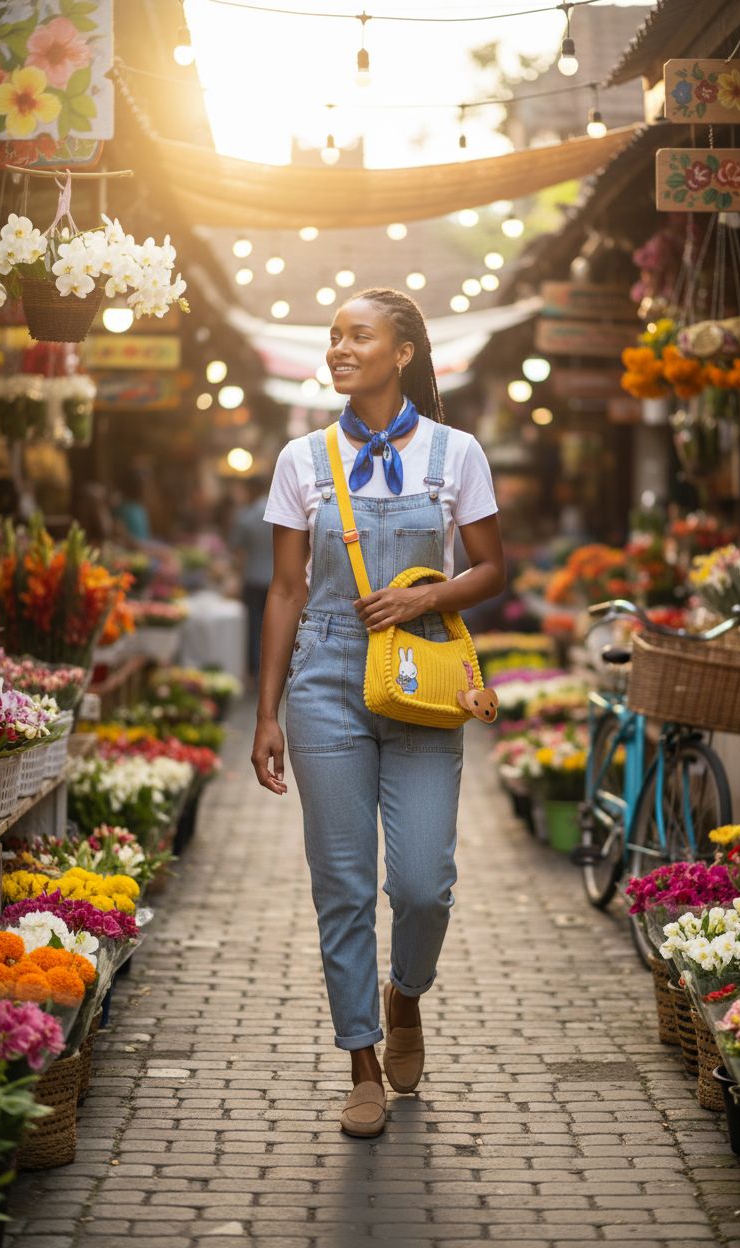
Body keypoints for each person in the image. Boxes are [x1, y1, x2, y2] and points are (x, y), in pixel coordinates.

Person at [253, 287, 505, 1139]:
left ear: (403, 352)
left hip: (424, 676)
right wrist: (266, 714)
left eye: (358, 336)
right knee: (344, 883)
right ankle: (360, 1058)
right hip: (325, 675)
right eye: (333, 338)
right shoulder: (301, 459)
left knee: (425, 882)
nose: (339, 349)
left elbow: (492, 569)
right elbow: (286, 591)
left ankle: (407, 995)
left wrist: (426, 595)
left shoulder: (455, 452)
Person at [230, 475, 275, 678]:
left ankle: (257, 671)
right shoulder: (278, 511)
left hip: (253, 578)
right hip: (277, 579)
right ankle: (276, 670)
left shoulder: (245, 516)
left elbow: (237, 551)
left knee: (254, 626)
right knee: (275, 624)